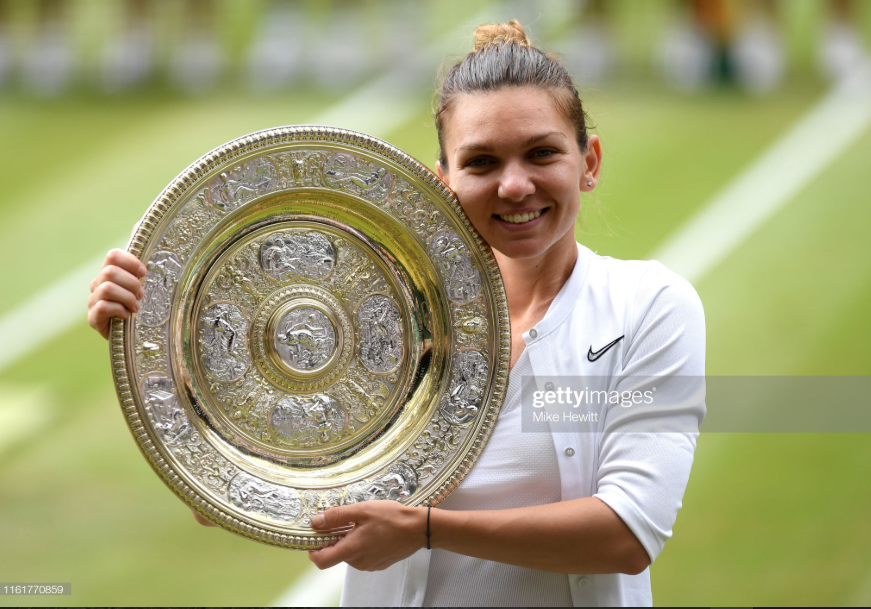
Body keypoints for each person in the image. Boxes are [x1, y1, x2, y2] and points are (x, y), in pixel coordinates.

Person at [87, 20, 705, 607]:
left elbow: (626, 533)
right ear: (442, 179)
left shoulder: (649, 306)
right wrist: (147, 340)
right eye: (482, 162)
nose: (515, 186)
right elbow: (248, 496)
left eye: (541, 154)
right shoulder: (379, 325)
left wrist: (427, 529)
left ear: (588, 162)